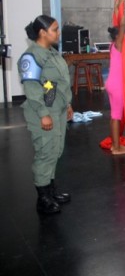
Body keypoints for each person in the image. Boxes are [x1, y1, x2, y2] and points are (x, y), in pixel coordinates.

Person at [18, 15, 73, 214]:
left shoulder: (51, 53)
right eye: (55, 30)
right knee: (45, 153)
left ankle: (50, 191)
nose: (58, 33)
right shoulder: (32, 56)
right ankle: (43, 199)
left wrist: (67, 104)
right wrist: (44, 114)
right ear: (42, 32)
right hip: (42, 112)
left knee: (55, 151)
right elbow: (32, 88)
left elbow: (53, 83)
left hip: (56, 109)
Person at [105, 0, 125, 155]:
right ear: (119, 36)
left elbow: (117, 25)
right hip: (116, 85)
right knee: (116, 116)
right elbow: (121, 25)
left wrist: (116, 8)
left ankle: (114, 144)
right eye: (123, 35)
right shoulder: (118, 44)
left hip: (111, 83)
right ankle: (116, 147)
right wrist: (122, 7)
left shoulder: (113, 45)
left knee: (114, 115)